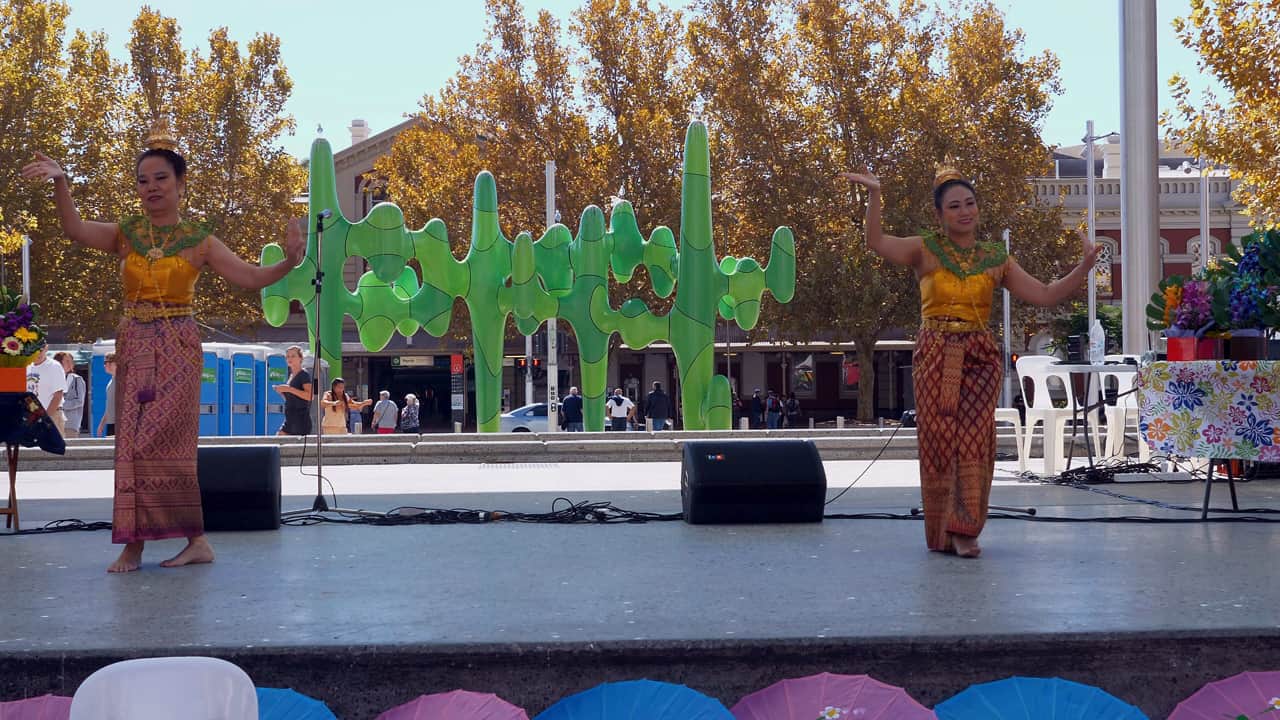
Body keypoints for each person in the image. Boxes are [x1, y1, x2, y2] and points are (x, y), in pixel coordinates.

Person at [22, 120, 304, 573]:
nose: (151, 188)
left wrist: (290, 261)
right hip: (134, 340)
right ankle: (137, 544)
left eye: (161, 179)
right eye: (143, 180)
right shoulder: (126, 234)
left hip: (177, 343)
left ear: (179, 183)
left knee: (166, 441)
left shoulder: (199, 240)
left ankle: (194, 540)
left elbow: (250, 277)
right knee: (130, 442)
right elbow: (73, 228)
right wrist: (62, 183)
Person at [841, 165, 1097, 558]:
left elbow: (1045, 294)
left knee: (975, 440)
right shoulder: (924, 249)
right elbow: (876, 241)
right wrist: (876, 195)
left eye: (970, 204)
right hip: (935, 353)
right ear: (940, 215)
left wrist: (1083, 267)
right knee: (940, 441)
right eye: (955, 206)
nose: (965, 212)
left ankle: (966, 529)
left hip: (979, 355)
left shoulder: (997, 258)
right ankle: (942, 531)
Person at [26, 346, 67, 436]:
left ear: (46, 348)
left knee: (53, 448)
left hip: (52, 415)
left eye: (40, 350)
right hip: (33, 416)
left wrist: (45, 418)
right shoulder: (27, 367)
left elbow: (58, 395)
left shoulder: (54, 366)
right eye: (34, 349)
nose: (38, 353)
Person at [274, 345, 312, 436]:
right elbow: (292, 398)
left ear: (300, 358)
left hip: (300, 419)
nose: (289, 359)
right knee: (279, 442)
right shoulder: (291, 376)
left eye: (293, 356)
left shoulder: (304, 375)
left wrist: (289, 389)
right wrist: (282, 392)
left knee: (281, 442)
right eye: (287, 356)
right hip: (290, 418)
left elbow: (310, 396)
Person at [55, 351, 86, 437]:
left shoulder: (77, 379)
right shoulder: (53, 379)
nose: (70, 364)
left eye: (71, 361)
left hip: (70, 424)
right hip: (54, 421)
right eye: (67, 361)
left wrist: (60, 405)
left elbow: (80, 401)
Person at [96, 353, 117, 437]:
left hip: (119, 423)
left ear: (115, 363)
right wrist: (102, 424)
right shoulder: (111, 381)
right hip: (111, 423)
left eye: (106, 362)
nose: (104, 365)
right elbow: (109, 406)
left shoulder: (122, 381)